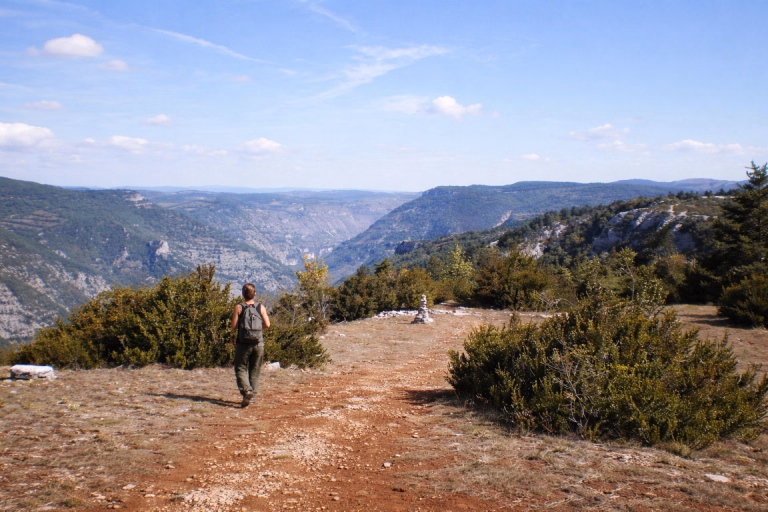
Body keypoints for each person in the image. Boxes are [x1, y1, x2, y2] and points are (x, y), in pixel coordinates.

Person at [231, 283, 271, 408]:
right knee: (255, 370)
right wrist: (258, 331)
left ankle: (246, 391)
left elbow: (233, 326)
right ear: (254, 294)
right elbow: (268, 324)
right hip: (258, 343)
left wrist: (233, 337)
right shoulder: (260, 307)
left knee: (240, 368)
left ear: (243, 294)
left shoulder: (239, 307)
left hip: (243, 343)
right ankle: (252, 396)